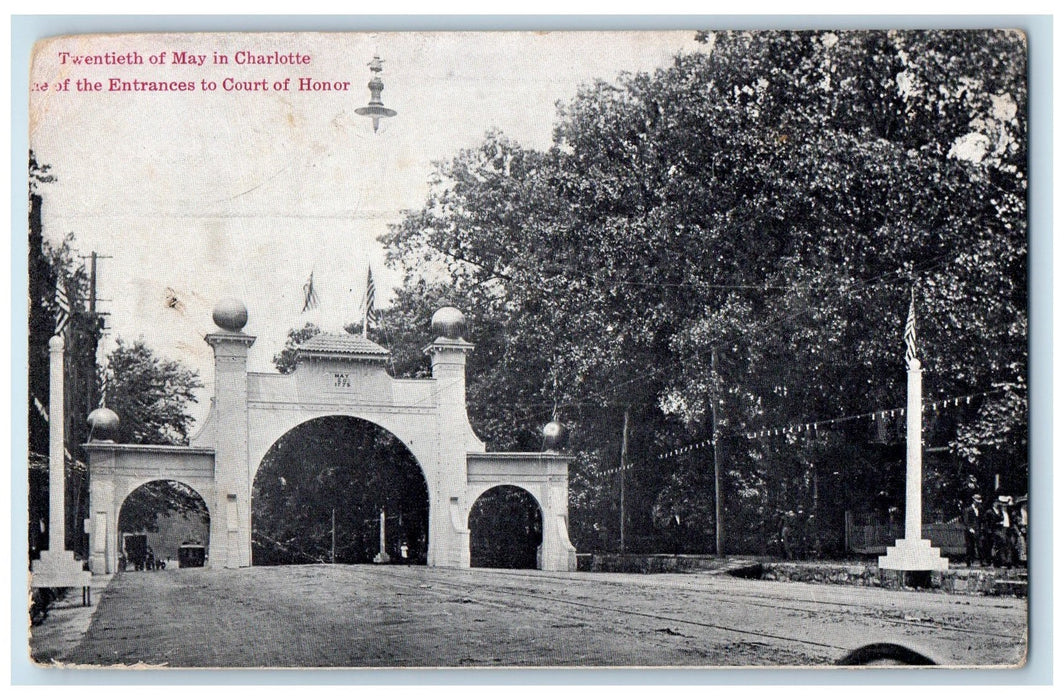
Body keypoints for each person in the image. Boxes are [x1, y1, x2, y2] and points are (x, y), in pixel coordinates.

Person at [961, 494, 983, 567]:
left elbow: (980, 520)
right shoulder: (968, 510)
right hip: (969, 531)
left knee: (980, 546)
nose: (978, 503)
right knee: (970, 546)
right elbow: (966, 521)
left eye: (979, 502)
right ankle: (968, 561)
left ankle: (981, 561)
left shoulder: (980, 509)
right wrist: (970, 528)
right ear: (973, 501)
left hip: (977, 530)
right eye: (977, 502)